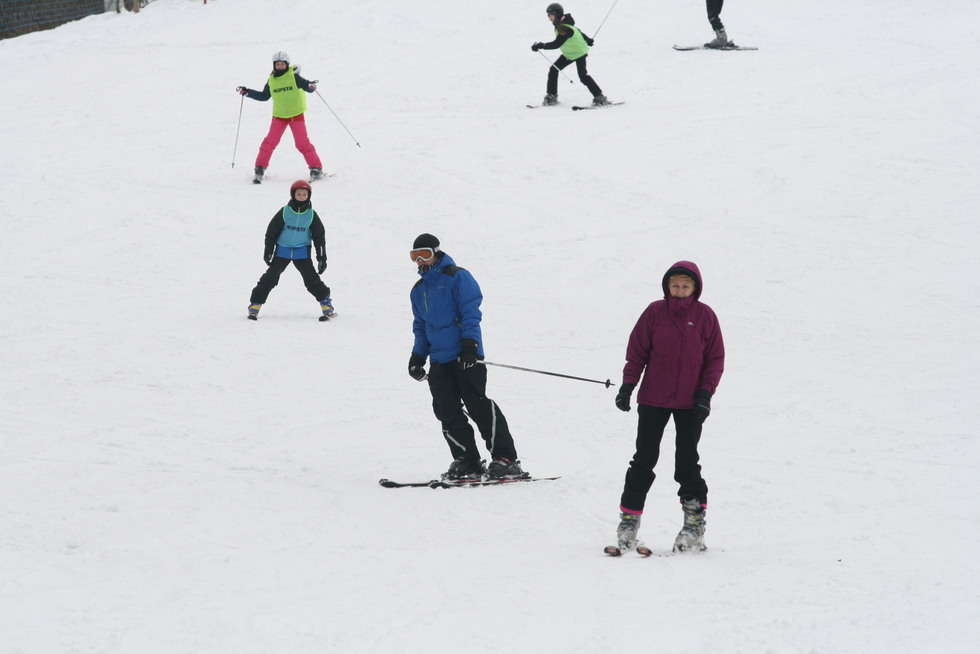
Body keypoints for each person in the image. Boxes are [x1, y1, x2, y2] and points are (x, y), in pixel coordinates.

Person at [613, 261, 725, 552]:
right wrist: (628, 385)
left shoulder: (705, 317)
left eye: (685, 286)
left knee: (686, 462)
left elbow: (715, 360)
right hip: (653, 399)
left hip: (691, 403)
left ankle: (694, 525)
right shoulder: (654, 313)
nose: (679, 290)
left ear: (695, 288)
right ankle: (628, 521)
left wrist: (705, 394)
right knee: (643, 459)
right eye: (674, 285)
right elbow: (637, 351)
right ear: (667, 286)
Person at [407, 234, 525, 481]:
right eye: (415, 256)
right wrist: (418, 355)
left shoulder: (458, 277)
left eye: (425, 254)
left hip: (464, 355)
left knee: (477, 403)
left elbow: (471, 312)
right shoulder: (418, 290)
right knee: (445, 409)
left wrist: (470, 345)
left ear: (436, 253)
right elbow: (421, 326)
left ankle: (506, 459)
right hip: (439, 360)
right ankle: (467, 460)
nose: (420, 261)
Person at [247, 180, 334, 321]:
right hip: (283, 251)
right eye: (298, 194)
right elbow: (271, 232)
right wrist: (268, 251)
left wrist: (322, 258)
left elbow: (319, 238)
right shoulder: (285, 212)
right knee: (271, 278)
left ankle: (326, 303)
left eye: (304, 194)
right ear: (293, 195)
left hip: (302, 252)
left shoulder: (311, 215)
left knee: (311, 279)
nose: (301, 196)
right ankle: (255, 304)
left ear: (309, 196)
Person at [236, 51, 325, 184]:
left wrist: (311, 86)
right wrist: (247, 92)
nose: (280, 66)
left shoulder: (294, 77)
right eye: (277, 64)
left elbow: (307, 86)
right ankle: (259, 168)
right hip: (279, 116)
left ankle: (316, 169)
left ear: (286, 65)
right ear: (274, 66)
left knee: (302, 143)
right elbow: (264, 96)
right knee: (269, 142)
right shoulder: (271, 80)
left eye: (282, 64)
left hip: (296, 114)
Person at [530, 3, 607, 107]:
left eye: (551, 15)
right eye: (548, 15)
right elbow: (578, 31)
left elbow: (557, 44)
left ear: (557, 14)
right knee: (554, 69)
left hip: (579, 53)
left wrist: (541, 45)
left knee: (583, 76)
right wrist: (588, 40)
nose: (549, 18)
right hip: (569, 53)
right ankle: (551, 96)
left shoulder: (564, 27)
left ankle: (599, 97)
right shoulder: (564, 24)